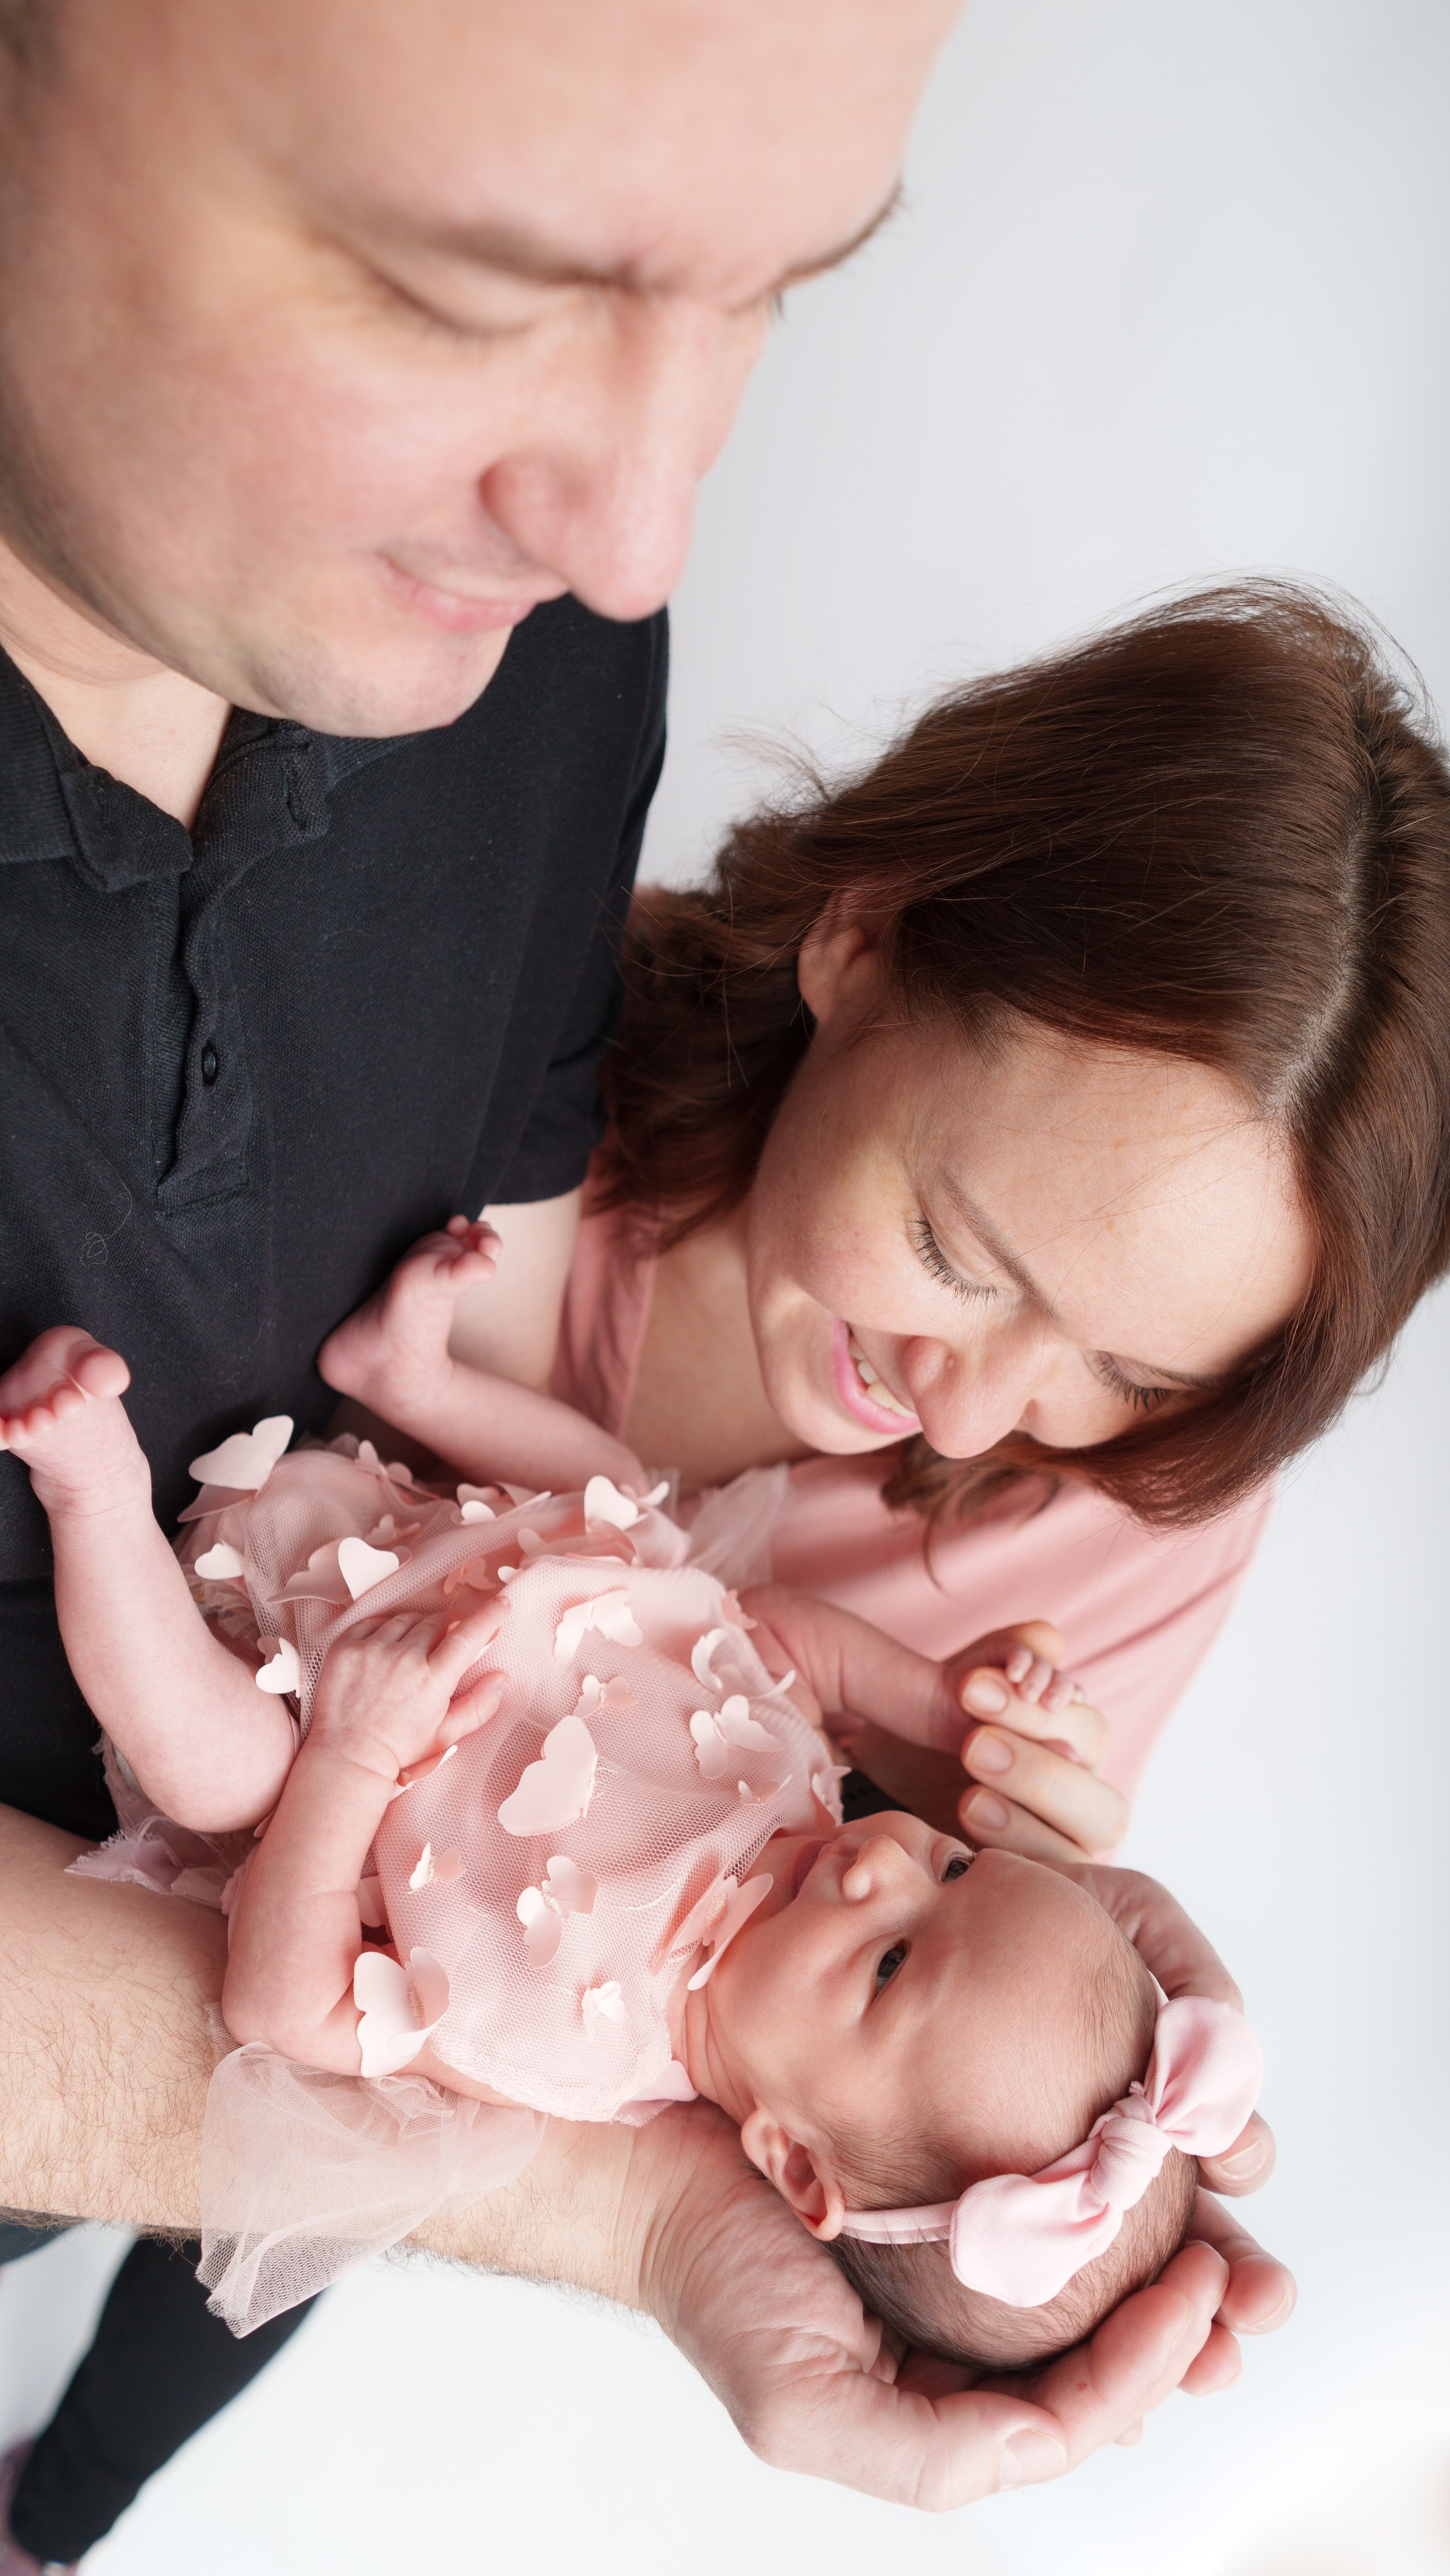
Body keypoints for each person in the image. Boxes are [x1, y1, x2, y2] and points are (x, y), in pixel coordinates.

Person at [0, 0, 1274, 2557]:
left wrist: (702, 2166)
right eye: (468, 291)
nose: (635, 535)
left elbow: (506, 1450)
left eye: (775, 296)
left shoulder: (532, 663)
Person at [0, 1306, 1263, 2377]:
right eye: (955, 1866)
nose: (883, 1862)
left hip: (281, 1672)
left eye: (888, 1963)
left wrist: (351, 1758)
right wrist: (937, 1704)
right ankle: (410, 1373)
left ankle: (92, 1497)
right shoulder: (809, 1799)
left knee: (219, 1769)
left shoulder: (576, 2051)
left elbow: (288, 2004)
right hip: (431, 1522)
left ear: (794, 2162)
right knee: (638, 1507)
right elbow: (772, 1627)